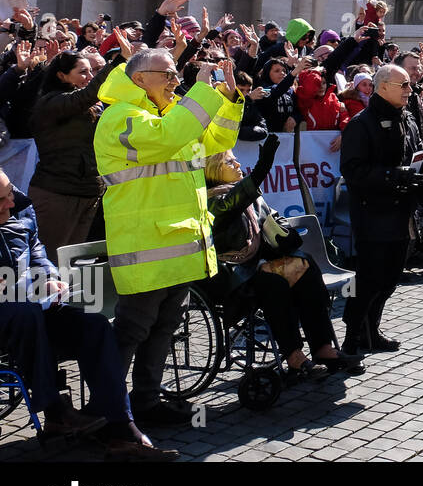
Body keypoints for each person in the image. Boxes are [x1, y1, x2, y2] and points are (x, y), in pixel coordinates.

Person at [94, 49, 243, 426]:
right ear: (139, 78)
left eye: (178, 75)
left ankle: (145, 400)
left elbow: (213, 144)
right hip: (145, 248)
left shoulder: (167, 116)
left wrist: (226, 99)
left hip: (175, 246)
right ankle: (105, 411)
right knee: (131, 331)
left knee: (163, 329)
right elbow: (171, 134)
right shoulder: (121, 118)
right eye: (168, 74)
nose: (176, 80)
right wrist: (201, 91)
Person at [0, 169, 177, 459]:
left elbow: (37, 252)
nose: (10, 203)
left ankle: (119, 425)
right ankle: (55, 411)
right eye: (2, 200)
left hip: (29, 305)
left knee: (93, 325)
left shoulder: (19, 207)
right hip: (14, 316)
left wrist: (49, 277)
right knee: (25, 313)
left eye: (9, 194)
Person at [204, 141, 365, 381]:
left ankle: (323, 348)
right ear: (214, 169)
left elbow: (267, 223)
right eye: (229, 161)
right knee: (274, 284)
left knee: (306, 267)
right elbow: (234, 203)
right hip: (231, 274)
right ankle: (294, 357)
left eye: (236, 159)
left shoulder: (246, 193)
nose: (237, 164)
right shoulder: (212, 201)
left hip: (257, 264)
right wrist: (262, 167)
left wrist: (282, 234)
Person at [340, 64, 423, 353]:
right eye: (404, 85)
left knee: (391, 276)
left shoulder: (407, 117)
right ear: (383, 87)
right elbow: (353, 170)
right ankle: (352, 338)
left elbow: (417, 149)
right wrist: (395, 175)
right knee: (370, 277)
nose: (410, 91)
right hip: (373, 212)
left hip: (402, 210)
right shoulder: (361, 123)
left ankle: (372, 331)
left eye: (410, 85)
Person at [27, 32, 132, 255]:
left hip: (89, 192)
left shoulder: (93, 105)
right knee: (49, 262)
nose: (89, 76)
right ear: (62, 76)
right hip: (58, 192)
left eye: (92, 71)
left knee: (71, 265)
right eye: (82, 72)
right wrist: (118, 61)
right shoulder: (52, 103)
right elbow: (87, 95)